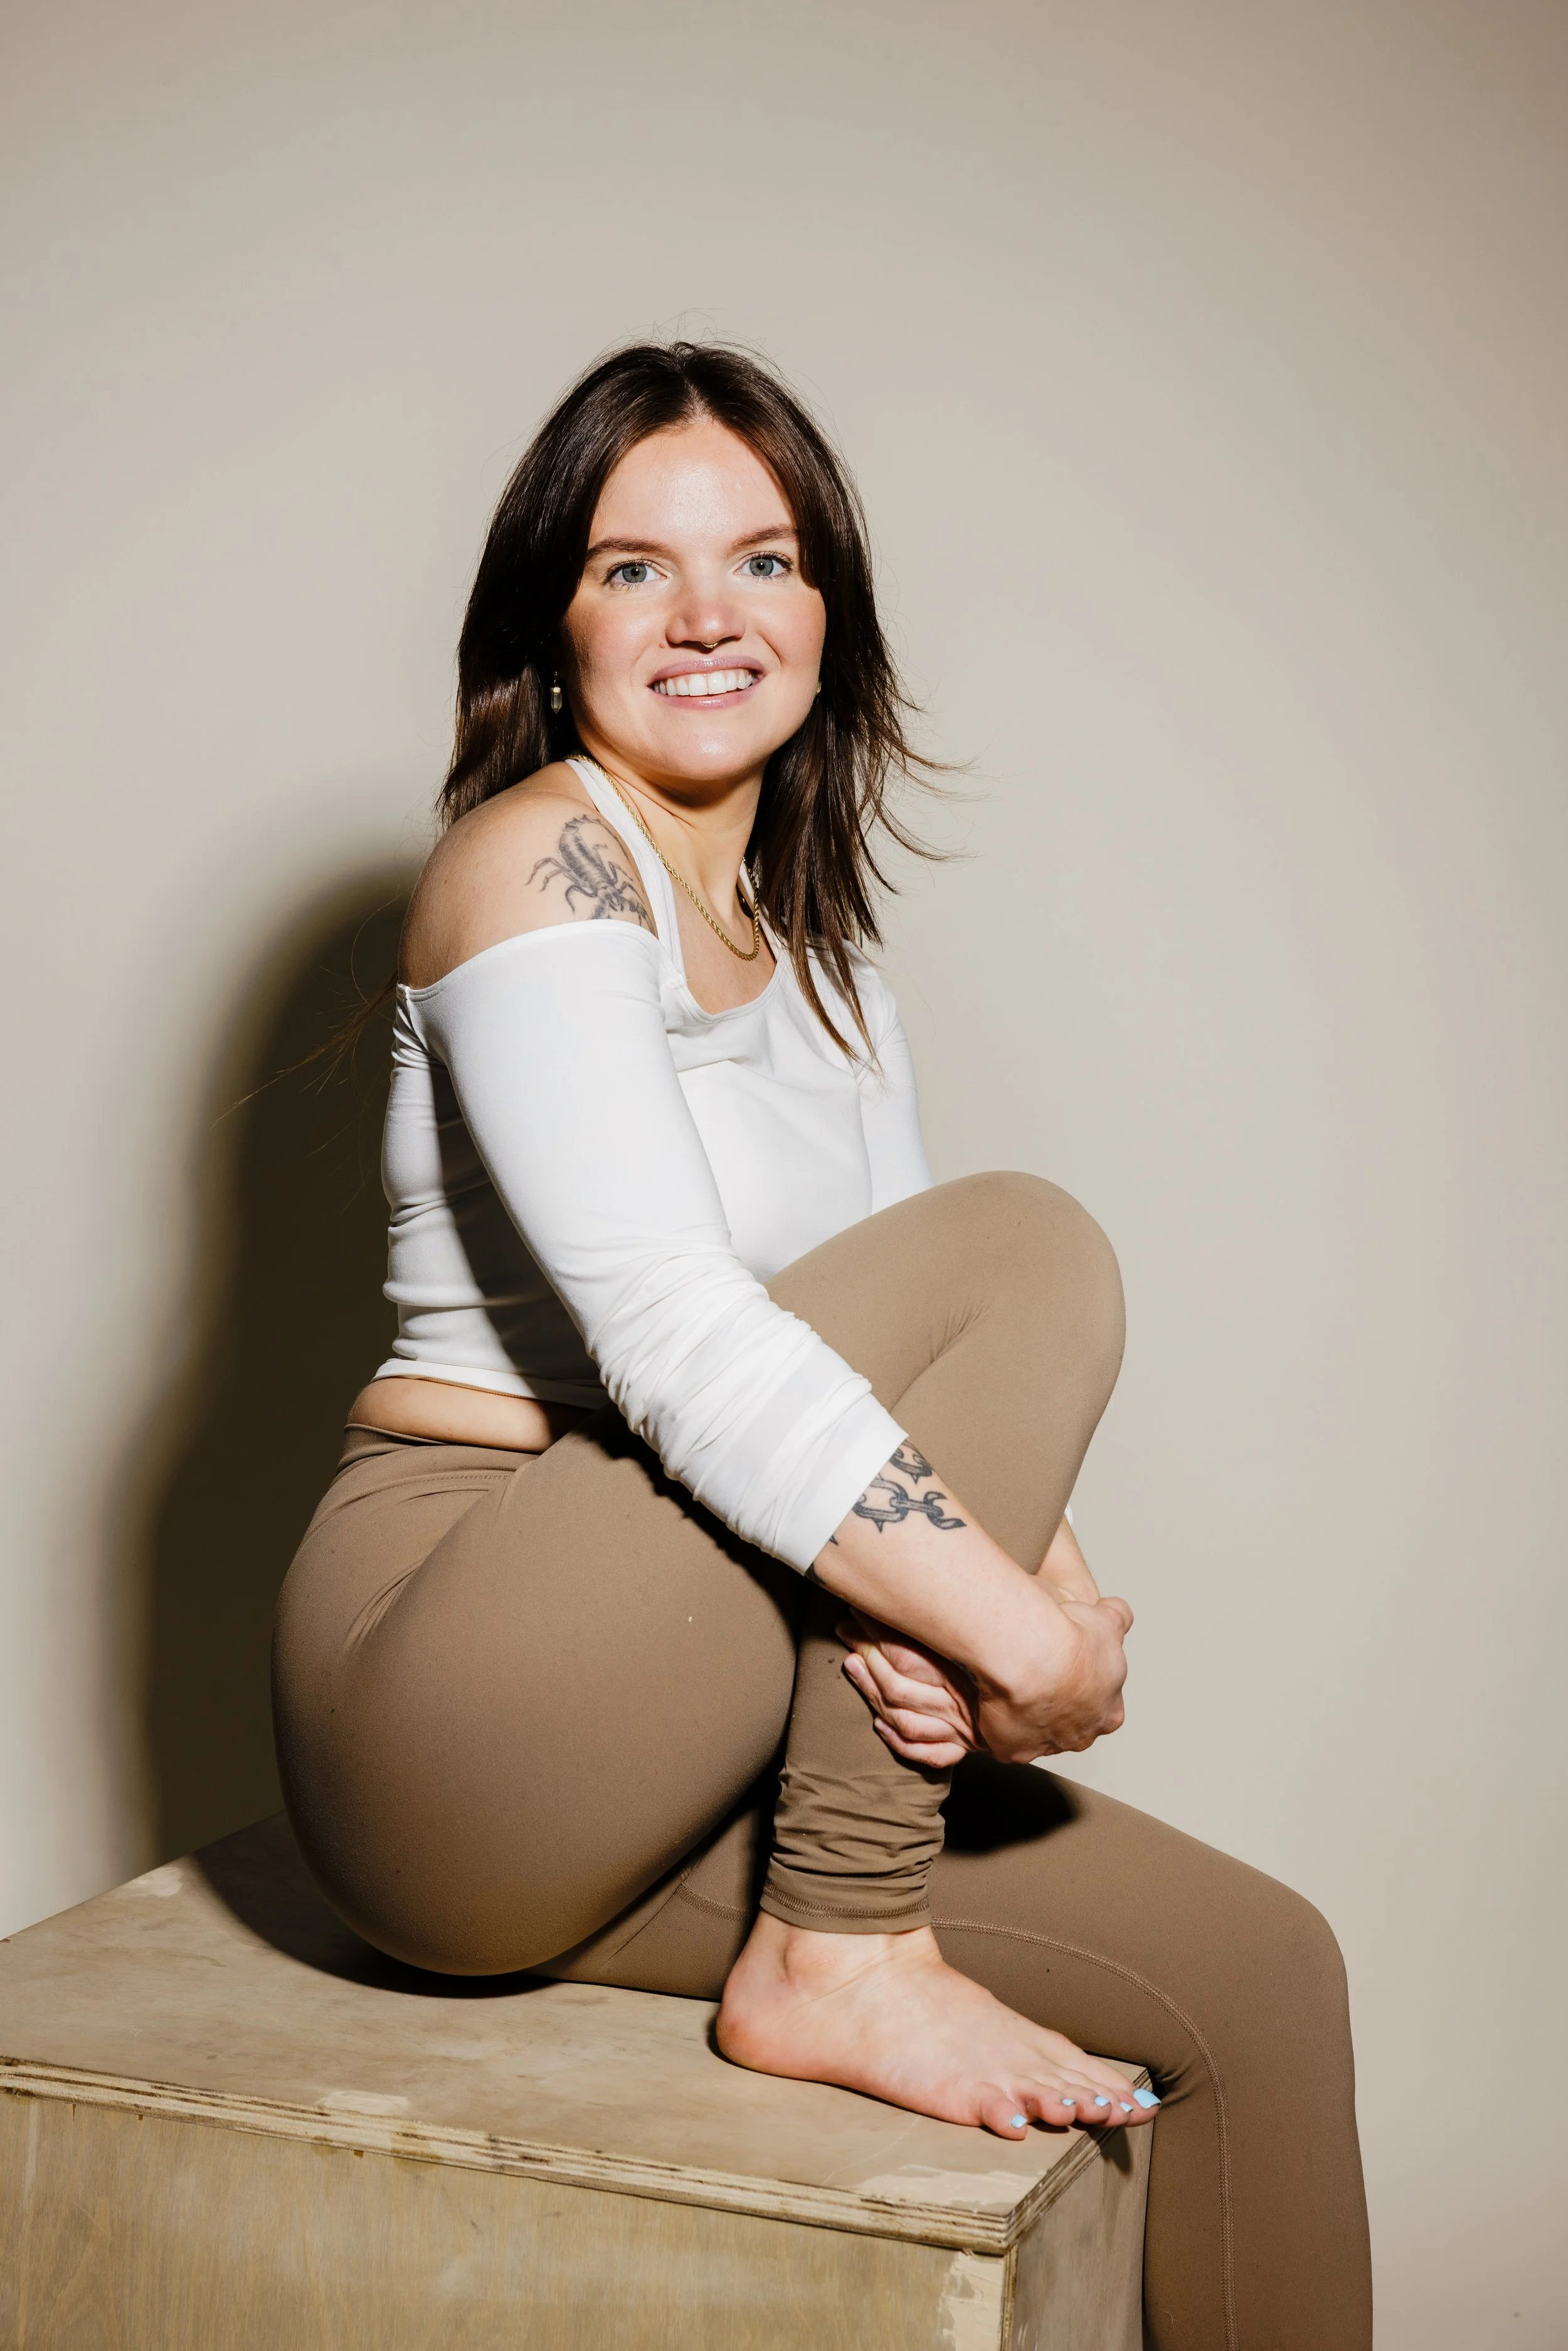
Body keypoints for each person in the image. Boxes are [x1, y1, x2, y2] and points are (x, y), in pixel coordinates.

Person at [272, 341, 1372, 2349]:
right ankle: (840, 1945)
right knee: (1034, 1240)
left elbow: (919, 1386)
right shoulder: (539, 861)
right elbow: (684, 1340)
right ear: (553, 620)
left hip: (693, 1706)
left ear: (826, 612)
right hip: (451, 1689)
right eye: (631, 567)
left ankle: (838, 1914)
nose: (707, 612)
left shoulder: (825, 968)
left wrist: (1045, 1621)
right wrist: (1010, 1632)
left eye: (763, 559)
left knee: (1261, 1976)